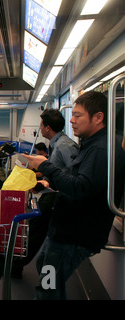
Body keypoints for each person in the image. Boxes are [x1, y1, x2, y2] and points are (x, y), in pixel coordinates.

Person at [22, 91, 125, 300]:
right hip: (65, 231)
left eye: (78, 115)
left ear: (98, 117)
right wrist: (49, 181)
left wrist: (45, 166)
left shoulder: (100, 150)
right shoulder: (91, 145)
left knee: (47, 288)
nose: (71, 119)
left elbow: (79, 187)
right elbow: (76, 177)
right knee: (45, 267)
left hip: (73, 235)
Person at [13, 110, 79, 278]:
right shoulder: (56, 143)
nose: (40, 129)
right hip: (53, 192)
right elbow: (59, 171)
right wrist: (45, 182)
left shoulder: (65, 146)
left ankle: (16, 266)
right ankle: (17, 264)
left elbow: (74, 176)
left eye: (41, 125)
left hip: (60, 198)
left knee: (36, 232)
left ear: (48, 128)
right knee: (35, 231)